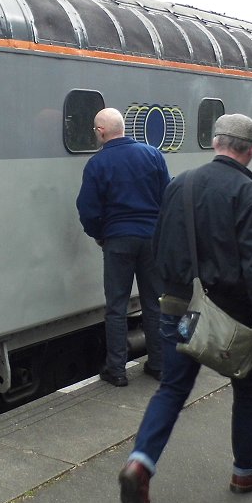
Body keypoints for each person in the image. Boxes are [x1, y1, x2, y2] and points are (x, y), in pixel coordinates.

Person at [118, 113, 252, 503]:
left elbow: (158, 247)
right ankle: (246, 472)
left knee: (172, 390)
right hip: (227, 316)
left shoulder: (181, 184)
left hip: (180, 307)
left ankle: (140, 461)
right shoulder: (250, 195)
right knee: (247, 388)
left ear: (215, 143)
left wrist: (175, 292)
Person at [76, 108, 170, 386]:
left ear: (101, 132)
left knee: (116, 307)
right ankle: (158, 365)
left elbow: (87, 209)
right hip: (152, 238)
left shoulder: (97, 163)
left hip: (118, 240)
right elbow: (168, 194)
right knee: (154, 303)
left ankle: (117, 370)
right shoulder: (153, 154)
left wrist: (99, 234)